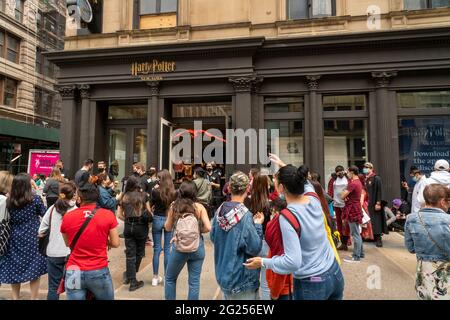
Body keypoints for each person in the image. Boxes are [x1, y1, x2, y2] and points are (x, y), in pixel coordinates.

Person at [245, 155, 344, 300]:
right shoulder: (313, 196)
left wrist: (263, 262)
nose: (273, 181)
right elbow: (303, 180)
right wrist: (283, 164)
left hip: (312, 283)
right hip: (335, 273)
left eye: (275, 180)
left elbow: (292, 261)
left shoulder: (288, 216)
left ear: (281, 188)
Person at [60, 179, 120, 300]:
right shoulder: (108, 215)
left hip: (74, 270)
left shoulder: (68, 216)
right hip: (98, 270)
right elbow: (116, 243)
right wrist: (103, 239)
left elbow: (68, 243)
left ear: (80, 199)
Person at [211, 171, 264, 300]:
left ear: (229, 188)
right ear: (248, 189)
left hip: (224, 275)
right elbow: (255, 247)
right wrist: (258, 225)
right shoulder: (245, 217)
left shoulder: (219, 211)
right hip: (242, 279)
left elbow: (213, 237)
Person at [0, 173, 47, 300]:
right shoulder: (35, 199)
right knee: (34, 268)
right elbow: (45, 214)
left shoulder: (9, 200)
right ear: (27, 185)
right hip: (33, 235)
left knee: (14, 267)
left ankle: (15, 297)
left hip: (14, 236)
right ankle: (34, 297)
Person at [164, 180, 211, 300]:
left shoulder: (174, 206)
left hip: (179, 248)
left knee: (170, 278)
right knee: (194, 282)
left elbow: (168, 227)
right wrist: (198, 232)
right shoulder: (199, 207)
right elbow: (208, 227)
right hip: (197, 247)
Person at [404, 184, 450, 300]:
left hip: (423, 271)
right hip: (446, 271)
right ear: (442, 201)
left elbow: (411, 248)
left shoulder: (411, 219)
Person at [38, 182, 77, 300]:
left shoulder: (52, 209)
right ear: (74, 195)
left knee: (53, 287)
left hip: (53, 253)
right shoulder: (76, 211)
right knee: (74, 287)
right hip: (72, 254)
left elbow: (41, 230)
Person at [117, 176, 152, 292]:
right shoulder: (144, 196)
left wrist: (128, 219)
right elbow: (149, 212)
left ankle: (130, 277)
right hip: (141, 227)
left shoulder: (124, 196)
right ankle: (132, 280)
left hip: (128, 227)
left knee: (130, 254)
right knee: (139, 252)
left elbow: (119, 215)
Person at [245, 174, 271, 300]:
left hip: (252, 242)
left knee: (252, 283)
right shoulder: (270, 203)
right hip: (266, 242)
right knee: (266, 285)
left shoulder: (247, 202)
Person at [150, 169, 177, 287]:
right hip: (168, 220)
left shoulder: (155, 191)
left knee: (157, 249)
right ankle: (167, 277)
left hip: (157, 219)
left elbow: (151, 204)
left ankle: (155, 277)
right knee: (167, 250)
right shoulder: (173, 192)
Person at [266, 197, 293, 300]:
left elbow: (281, 270)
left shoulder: (277, 232)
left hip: (281, 290)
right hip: (287, 287)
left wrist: (274, 293)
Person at [341, 166, 364, 263]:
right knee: (357, 233)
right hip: (356, 208)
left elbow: (342, 195)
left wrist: (344, 195)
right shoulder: (358, 182)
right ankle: (360, 253)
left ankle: (356, 256)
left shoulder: (353, 183)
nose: (347, 174)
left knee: (355, 234)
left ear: (352, 172)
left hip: (352, 210)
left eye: (348, 172)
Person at [363, 162, 387, 247]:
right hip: (367, 204)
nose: (365, 168)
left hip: (374, 203)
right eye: (364, 167)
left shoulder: (376, 178)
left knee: (376, 221)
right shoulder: (365, 178)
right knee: (370, 221)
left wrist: (378, 203)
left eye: (367, 167)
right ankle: (370, 236)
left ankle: (378, 239)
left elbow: (379, 191)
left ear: (371, 168)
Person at [332, 166, 350, 251]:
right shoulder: (334, 179)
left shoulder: (347, 179)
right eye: (338, 171)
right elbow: (331, 189)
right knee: (338, 223)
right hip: (336, 204)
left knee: (345, 224)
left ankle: (346, 242)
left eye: (341, 171)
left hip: (345, 204)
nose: (340, 173)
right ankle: (341, 242)